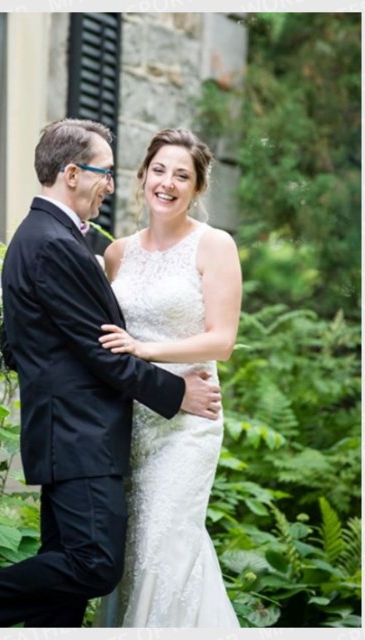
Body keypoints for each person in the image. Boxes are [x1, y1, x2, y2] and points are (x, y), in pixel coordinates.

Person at [0, 119, 223, 627]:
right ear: (72, 173)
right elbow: (100, 350)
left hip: (73, 432)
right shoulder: (52, 241)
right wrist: (175, 392)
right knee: (94, 565)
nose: (112, 185)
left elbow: (25, 343)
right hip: (79, 432)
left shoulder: (50, 236)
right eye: (105, 172)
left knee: (63, 595)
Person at [93, 128, 242, 627]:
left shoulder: (214, 246)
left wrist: (145, 349)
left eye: (182, 175)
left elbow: (221, 340)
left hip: (188, 421)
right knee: (135, 547)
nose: (168, 183)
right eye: (159, 170)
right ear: (141, 177)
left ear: (197, 189)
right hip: (131, 419)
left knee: (165, 540)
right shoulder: (118, 254)